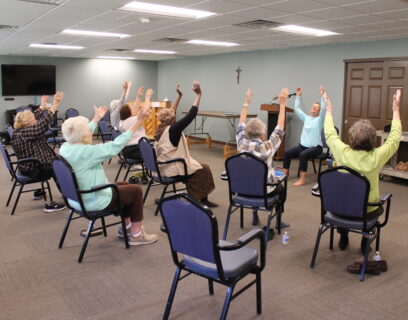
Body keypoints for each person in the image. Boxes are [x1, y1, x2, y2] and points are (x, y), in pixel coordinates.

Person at [59, 91, 158, 246]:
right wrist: (137, 122)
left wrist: (96, 119)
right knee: (136, 191)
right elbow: (116, 146)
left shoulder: (65, 147)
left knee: (124, 185)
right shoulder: (88, 152)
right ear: (84, 134)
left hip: (75, 199)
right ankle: (136, 235)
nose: (89, 131)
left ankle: (126, 228)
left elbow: (80, 133)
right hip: (93, 200)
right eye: (87, 129)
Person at [324, 90, 402, 252]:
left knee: (347, 202)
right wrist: (396, 110)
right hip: (366, 212)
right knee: (375, 207)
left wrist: (329, 110)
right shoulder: (377, 156)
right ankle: (365, 238)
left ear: (351, 138)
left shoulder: (342, 152)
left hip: (338, 207)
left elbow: (330, 134)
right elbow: (394, 139)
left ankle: (343, 234)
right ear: (373, 140)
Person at [154, 81, 217, 207]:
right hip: (173, 166)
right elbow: (191, 114)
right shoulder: (173, 130)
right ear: (173, 118)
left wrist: (179, 96)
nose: (174, 112)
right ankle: (197, 199)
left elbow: (172, 110)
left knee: (201, 166)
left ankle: (201, 198)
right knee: (203, 169)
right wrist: (199, 95)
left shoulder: (160, 128)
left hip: (163, 165)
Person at [236, 87, 289, 227]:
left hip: (242, 190)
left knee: (251, 177)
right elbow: (279, 128)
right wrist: (282, 105)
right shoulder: (267, 147)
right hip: (264, 193)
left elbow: (241, 124)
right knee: (281, 189)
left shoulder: (241, 144)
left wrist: (247, 101)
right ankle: (277, 221)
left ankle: (255, 213)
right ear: (262, 135)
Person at [11, 92, 66, 212]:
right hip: (33, 169)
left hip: (26, 166)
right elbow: (43, 124)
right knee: (58, 168)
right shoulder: (26, 132)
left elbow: (35, 117)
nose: (35, 119)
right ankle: (69, 197)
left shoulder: (21, 130)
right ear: (28, 123)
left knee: (58, 162)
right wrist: (55, 104)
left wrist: (42, 105)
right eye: (33, 119)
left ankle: (60, 191)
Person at [283, 86, 326, 186]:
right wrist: (298, 96)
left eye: (316, 107)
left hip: (316, 147)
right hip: (303, 146)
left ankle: (303, 179)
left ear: (319, 111)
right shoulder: (306, 118)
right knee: (287, 153)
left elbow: (324, 109)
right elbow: (297, 109)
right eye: (313, 106)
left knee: (303, 155)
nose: (313, 107)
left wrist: (323, 96)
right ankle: (285, 174)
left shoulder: (320, 120)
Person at [118, 86, 148, 161]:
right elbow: (146, 111)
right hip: (135, 150)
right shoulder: (132, 121)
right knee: (155, 152)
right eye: (131, 108)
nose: (134, 109)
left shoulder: (122, 122)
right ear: (129, 113)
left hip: (127, 150)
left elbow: (135, 110)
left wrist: (138, 96)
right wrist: (147, 97)